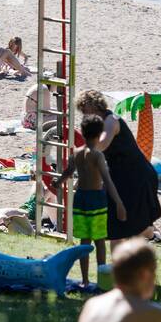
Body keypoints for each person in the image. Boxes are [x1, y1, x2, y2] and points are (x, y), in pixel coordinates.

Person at [75, 91, 161, 243]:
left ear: (97, 107)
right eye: (82, 111)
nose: (84, 115)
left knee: (134, 223)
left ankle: (154, 238)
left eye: (86, 110)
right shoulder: (98, 124)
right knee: (123, 223)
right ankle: (153, 238)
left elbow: (101, 144)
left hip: (137, 176)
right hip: (121, 176)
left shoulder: (111, 120)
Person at [57, 114, 128, 286]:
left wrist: (58, 182)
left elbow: (68, 172)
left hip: (80, 199)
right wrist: (119, 203)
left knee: (84, 242)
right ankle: (102, 279)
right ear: (99, 135)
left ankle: (85, 280)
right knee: (100, 242)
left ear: (82, 132)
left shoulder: (77, 153)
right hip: (96, 200)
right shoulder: (97, 155)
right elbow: (107, 180)